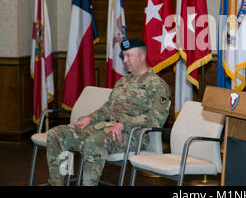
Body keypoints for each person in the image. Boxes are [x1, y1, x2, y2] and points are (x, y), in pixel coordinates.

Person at [46, 38, 171, 186]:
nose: (124, 60)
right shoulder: (122, 82)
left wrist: (124, 124)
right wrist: (90, 118)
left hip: (133, 135)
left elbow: (156, 120)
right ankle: (59, 182)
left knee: (94, 142)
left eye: (128, 56)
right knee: (57, 135)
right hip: (105, 128)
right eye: (123, 56)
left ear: (142, 56)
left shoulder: (157, 85)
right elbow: (108, 108)